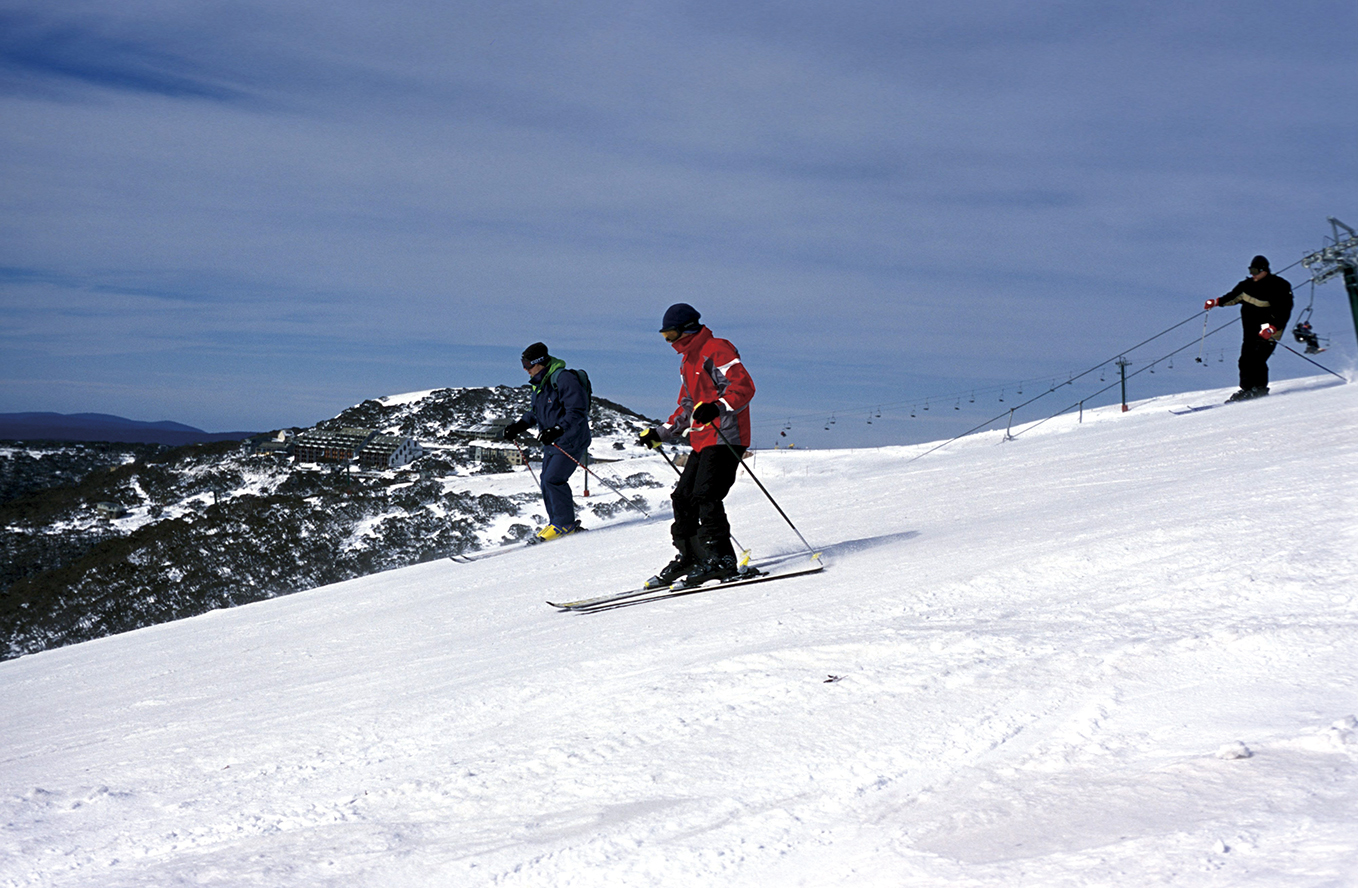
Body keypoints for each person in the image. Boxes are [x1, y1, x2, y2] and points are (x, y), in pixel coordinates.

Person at [637, 303, 756, 586]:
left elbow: (743, 387)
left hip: (728, 435)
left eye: (671, 335)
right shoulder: (687, 361)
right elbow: (688, 406)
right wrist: (660, 433)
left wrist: (717, 407)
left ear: (687, 329)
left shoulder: (717, 349)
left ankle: (721, 560)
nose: (669, 342)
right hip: (703, 439)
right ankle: (693, 555)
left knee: (706, 495)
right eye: (664, 336)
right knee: (683, 497)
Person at [502, 342, 591, 543]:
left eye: (527, 365)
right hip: (552, 441)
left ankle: (564, 524)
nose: (525, 370)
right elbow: (536, 412)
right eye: (523, 364)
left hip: (571, 439)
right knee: (546, 480)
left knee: (553, 479)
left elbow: (577, 411)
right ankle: (557, 522)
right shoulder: (541, 384)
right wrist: (518, 426)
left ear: (539, 363)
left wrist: (558, 429)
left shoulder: (563, 379)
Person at [1205, 255, 1293, 403]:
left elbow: (1284, 310)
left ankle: (1259, 389)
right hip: (1251, 331)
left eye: (1256, 271)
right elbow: (1233, 297)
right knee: (1245, 360)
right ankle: (1247, 389)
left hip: (1269, 330)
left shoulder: (1279, 286)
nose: (1253, 274)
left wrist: (1272, 328)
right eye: (1251, 270)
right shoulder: (1246, 285)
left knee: (1257, 359)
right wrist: (1216, 302)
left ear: (1264, 270)